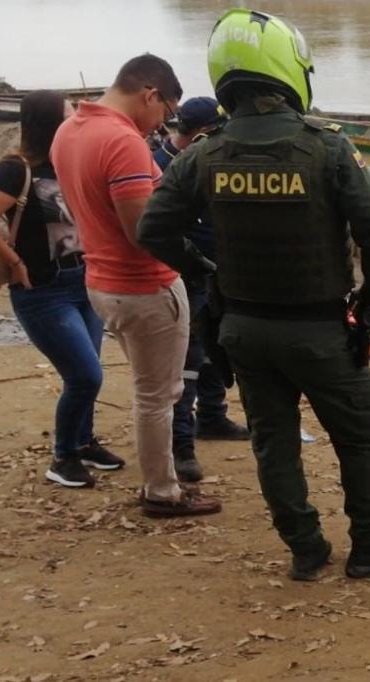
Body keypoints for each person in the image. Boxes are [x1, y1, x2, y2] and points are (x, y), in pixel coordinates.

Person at [138, 8, 370, 581]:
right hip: (319, 329)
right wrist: (368, 305)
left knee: (274, 444)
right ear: (288, 68)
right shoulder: (329, 149)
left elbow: (153, 230)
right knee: (360, 437)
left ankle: (305, 548)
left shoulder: (201, 153)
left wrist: (208, 269)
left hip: (243, 330)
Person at [51, 53, 220, 519]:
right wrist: (199, 263)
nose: (162, 124)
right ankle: (162, 491)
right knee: (158, 397)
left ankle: (160, 483)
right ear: (150, 94)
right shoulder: (122, 141)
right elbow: (145, 231)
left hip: (102, 280)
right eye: (165, 112)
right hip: (144, 286)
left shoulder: (70, 130)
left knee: (152, 391)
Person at [0, 91, 121, 489]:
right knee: (85, 375)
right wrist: (13, 262)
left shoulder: (71, 161)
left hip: (83, 280)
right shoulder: (17, 170)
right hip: (43, 290)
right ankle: (63, 457)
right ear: (48, 123)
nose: (76, 121)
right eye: (68, 115)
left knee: (89, 370)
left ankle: (84, 442)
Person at [150, 96, 249, 484]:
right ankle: (181, 443)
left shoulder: (216, 160)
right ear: (201, 132)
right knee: (186, 361)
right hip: (184, 277)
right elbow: (158, 230)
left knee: (216, 350)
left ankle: (213, 417)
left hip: (219, 274)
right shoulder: (161, 167)